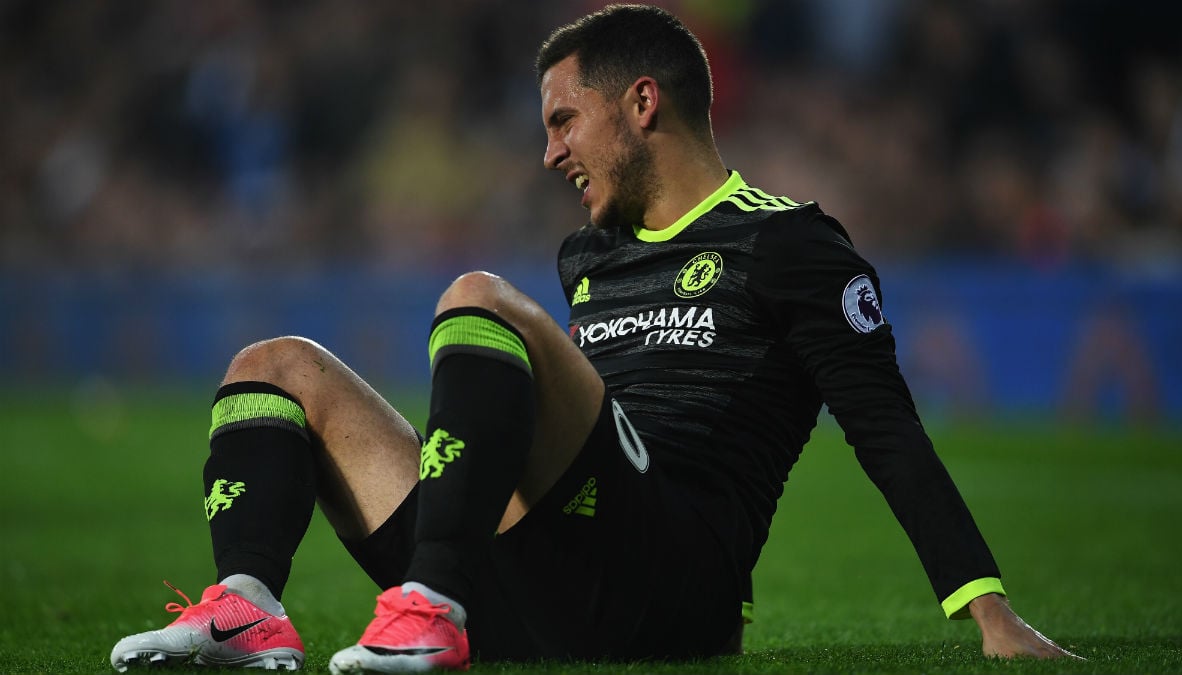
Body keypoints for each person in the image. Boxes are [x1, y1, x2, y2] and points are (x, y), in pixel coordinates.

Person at [109, 4, 1078, 673]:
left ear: (642, 103)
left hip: (673, 585)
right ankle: (248, 608)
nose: (550, 152)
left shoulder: (790, 244)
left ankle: (429, 608)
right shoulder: (589, 255)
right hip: (540, 586)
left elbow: (888, 431)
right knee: (273, 366)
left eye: (565, 120)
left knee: (479, 297)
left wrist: (988, 613)